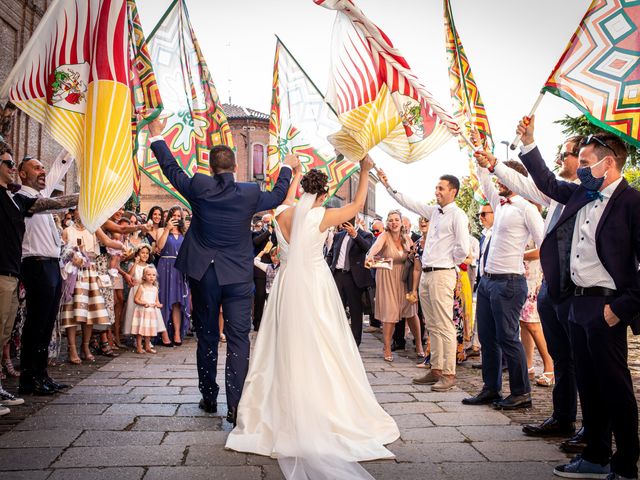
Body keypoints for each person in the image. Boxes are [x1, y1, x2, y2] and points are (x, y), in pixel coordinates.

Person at [226, 161, 399, 480]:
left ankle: (279, 410)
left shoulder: (281, 213)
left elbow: (288, 199)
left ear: (303, 189)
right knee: (323, 345)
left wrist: (291, 173)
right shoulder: (322, 215)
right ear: (325, 193)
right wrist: (363, 170)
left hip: (286, 287)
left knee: (283, 347)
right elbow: (358, 204)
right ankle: (321, 406)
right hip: (315, 287)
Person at [147, 116, 295, 425]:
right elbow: (279, 196)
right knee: (239, 338)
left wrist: (157, 137)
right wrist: (287, 167)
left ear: (212, 168)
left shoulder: (199, 186)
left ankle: (209, 396)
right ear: (234, 168)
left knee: (208, 336)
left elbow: (172, 170)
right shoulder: (249, 192)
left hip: (205, 275)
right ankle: (236, 405)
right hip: (238, 275)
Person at [515, 118, 640, 480]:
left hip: (607, 307)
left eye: (585, 163)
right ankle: (596, 457)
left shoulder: (632, 202)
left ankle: (626, 465)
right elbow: (547, 182)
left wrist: (621, 308)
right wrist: (529, 143)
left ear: (609, 163)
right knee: (589, 385)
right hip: (575, 304)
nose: (580, 169)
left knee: (615, 388)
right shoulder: (581, 194)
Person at [484, 133, 585, 449]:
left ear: (586, 159)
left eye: (565, 154)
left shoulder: (587, 194)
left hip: (576, 289)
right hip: (552, 288)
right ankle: (563, 417)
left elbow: (546, 240)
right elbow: (530, 186)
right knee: (561, 357)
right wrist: (494, 165)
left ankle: (592, 431)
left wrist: (525, 143)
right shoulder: (556, 196)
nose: (560, 160)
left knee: (584, 361)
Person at [462, 157, 544, 410]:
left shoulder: (527, 208)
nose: (498, 180)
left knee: (508, 338)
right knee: (487, 338)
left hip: (509, 282)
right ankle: (491, 388)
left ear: (514, 179)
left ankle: (521, 393)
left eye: (503, 176)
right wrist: (479, 157)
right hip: (487, 282)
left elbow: (545, 244)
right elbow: (484, 179)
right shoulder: (499, 204)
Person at [379, 169, 469, 392]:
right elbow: (410, 203)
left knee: (445, 325)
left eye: (441, 188)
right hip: (427, 274)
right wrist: (388, 186)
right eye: (436, 187)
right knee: (433, 325)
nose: (436, 191)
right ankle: (436, 368)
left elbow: (463, 248)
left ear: (453, 192)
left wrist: (448, 262)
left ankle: (449, 373)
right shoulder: (435, 212)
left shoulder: (458, 215)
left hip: (442, 273)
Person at [16, 155, 78, 397]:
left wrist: (73, 147)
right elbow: (52, 204)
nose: (42, 171)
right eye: (35, 167)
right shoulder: (22, 197)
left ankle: (42, 375)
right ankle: (29, 378)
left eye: (43, 166)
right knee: (36, 323)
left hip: (52, 265)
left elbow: (59, 167)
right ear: (22, 174)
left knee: (48, 323)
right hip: (36, 264)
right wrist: (84, 199)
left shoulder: (40, 195)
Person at [60, 209, 119, 364]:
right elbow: (62, 252)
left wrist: (122, 246)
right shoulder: (67, 231)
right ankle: (72, 348)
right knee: (72, 311)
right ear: (74, 213)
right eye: (80, 209)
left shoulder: (93, 229)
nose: (83, 213)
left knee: (90, 313)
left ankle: (85, 347)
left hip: (90, 272)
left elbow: (108, 242)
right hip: (73, 273)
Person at [366, 210, 424, 360]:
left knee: (411, 312)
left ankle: (418, 345)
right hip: (387, 277)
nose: (394, 223)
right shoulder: (384, 237)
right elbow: (373, 251)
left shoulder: (406, 238)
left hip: (404, 278)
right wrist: (370, 257)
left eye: (396, 220)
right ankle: (386, 348)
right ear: (387, 223)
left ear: (401, 222)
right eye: (390, 220)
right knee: (390, 313)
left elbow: (414, 256)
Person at [326, 215, 374, 346]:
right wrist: (329, 268)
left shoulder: (365, 235)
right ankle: (337, 340)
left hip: (354, 278)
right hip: (338, 276)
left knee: (355, 311)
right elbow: (331, 254)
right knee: (336, 309)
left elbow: (368, 248)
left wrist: (355, 235)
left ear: (356, 220)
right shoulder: (338, 235)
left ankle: (355, 342)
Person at [519, 237, 555, 387]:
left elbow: (543, 250)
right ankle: (528, 365)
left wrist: (518, 254)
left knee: (533, 324)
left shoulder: (536, 222)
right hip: (522, 277)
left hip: (535, 278)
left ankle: (549, 366)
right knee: (524, 323)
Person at [156, 206, 190, 346]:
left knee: (177, 302)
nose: (176, 218)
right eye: (173, 215)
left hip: (179, 268)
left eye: (178, 216)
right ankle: (164, 334)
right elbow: (159, 246)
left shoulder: (185, 233)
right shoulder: (161, 230)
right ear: (169, 216)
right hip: (165, 266)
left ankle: (176, 333)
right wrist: (167, 229)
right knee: (164, 300)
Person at [132, 265, 165, 354]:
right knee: (141, 330)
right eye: (149, 275)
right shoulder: (142, 287)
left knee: (149, 330)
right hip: (142, 312)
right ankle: (139, 346)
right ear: (144, 276)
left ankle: (147, 346)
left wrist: (158, 305)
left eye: (153, 275)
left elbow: (156, 301)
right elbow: (136, 299)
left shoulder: (155, 289)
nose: (151, 277)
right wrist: (143, 303)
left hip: (151, 312)